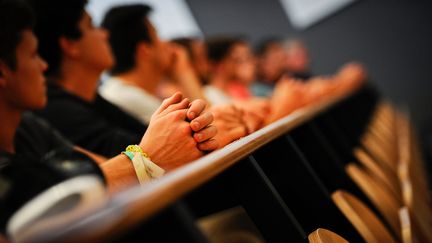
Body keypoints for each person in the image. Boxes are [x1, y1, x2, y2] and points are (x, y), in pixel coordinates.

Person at [24, 0, 218, 158]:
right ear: (70, 45)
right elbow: (151, 156)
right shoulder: (58, 109)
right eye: (91, 26)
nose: (104, 34)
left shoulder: (92, 100)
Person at [100, 4, 248, 147]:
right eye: (157, 36)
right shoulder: (125, 96)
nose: (166, 44)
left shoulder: (125, 91)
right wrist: (184, 71)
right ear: (145, 50)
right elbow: (210, 131)